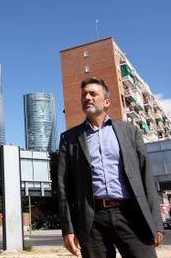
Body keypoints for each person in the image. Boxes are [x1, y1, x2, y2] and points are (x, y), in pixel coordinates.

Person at [57, 77, 164, 258]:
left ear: (106, 102)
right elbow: (63, 187)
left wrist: (156, 222)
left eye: (93, 93)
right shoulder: (69, 138)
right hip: (92, 220)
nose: (87, 97)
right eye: (84, 94)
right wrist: (68, 228)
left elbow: (146, 177)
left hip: (131, 214)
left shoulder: (130, 131)